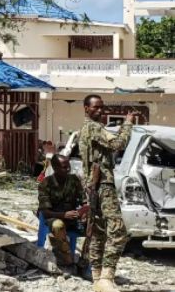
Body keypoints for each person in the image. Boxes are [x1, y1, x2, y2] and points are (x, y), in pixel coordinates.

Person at [77, 94, 136, 292]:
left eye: (102, 107)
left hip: (92, 186)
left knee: (99, 231)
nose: (100, 111)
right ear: (86, 108)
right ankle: (106, 276)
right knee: (118, 231)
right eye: (96, 108)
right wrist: (127, 124)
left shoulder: (85, 129)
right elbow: (117, 144)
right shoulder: (93, 127)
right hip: (102, 184)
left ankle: (97, 278)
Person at [37, 155, 88, 270]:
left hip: (74, 217)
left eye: (68, 167)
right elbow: (45, 212)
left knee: (94, 225)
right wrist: (64, 215)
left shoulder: (74, 180)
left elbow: (84, 202)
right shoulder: (46, 184)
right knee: (58, 225)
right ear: (55, 168)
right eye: (64, 167)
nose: (68, 170)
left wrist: (83, 212)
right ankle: (68, 259)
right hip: (53, 217)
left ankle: (84, 261)